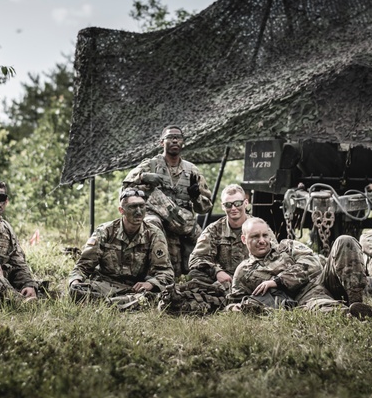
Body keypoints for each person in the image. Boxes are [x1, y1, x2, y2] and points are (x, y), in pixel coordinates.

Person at [229, 217, 370, 313]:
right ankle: (353, 315)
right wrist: (234, 308)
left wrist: (277, 281)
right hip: (303, 297)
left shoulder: (286, 246)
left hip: (325, 281)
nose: (262, 241)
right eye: (255, 237)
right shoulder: (243, 271)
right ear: (243, 239)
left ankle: (356, 302)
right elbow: (235, 301)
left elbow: (314, 264)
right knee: (327, 310)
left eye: (265, 235)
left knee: (345, 241)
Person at [122, 125, 212, 275]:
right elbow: (125, 188)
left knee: (201, 245)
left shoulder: (192, 171)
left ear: (183, 142)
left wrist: (196, 196)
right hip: (157, 218)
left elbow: (205, 207)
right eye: (170, 137)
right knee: (151, 224)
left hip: (182, 223)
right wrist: (143, 177)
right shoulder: (151, 165)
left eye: (178, 138)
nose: (175, 140)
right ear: (161, 142)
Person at [67, 188, 174, 304]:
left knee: (151, 298)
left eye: (142, 206)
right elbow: (83, 265)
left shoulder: (154, 234)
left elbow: (165, 272)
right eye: (132, 207)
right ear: (121, 210)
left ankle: (111, 303)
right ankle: (112, 302)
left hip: (137, 289)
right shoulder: (105, 231)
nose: (138, 211)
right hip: (105, 285)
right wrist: (75, 282)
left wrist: (150, 284)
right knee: (78, 292)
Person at [187, 184, 252, 287]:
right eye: (228, 205)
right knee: (195, 274)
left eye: (238, 203)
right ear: (222, 206)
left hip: (251, 279)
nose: (234, 208)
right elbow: (196, 259)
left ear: (246, 203)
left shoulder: (258, 227)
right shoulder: (213, 230)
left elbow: (275, 257)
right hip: (224, 279)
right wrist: (217, 271)